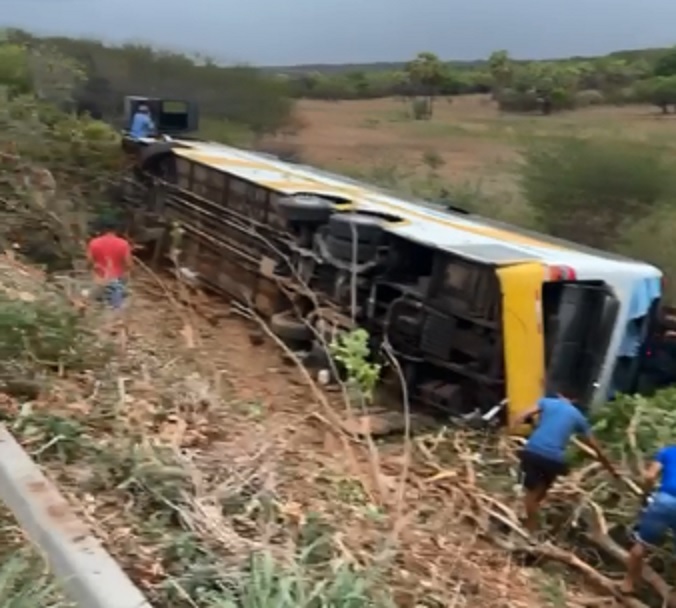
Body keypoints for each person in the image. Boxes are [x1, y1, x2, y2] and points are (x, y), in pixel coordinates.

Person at [510, 393, 620, 535]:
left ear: (559, 395)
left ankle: (530, 530)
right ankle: (531, 522)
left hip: (533, 452)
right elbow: (596, 446)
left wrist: (510, 432)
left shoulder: (546, 402)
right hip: (554, 460)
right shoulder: (578, 416)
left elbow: (521, 415)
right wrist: (611, 469)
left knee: (530, 494)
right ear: (574, 400)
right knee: (539, 493)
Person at [620, 446, 676, 596]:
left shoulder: (668, 451)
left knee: (641, 544)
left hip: (665, 501)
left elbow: (650, 476)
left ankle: (628, 584)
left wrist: (646, 494)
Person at [86, 220, 132, 310]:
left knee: (94, 303)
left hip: (99, 279)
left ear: (102, 230)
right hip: (117, 279)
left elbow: (89, 262)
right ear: (116, 230)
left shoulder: (94, 243)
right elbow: (129, 264)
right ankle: (116, 303)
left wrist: (92, 269)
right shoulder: (124, 244)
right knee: (116, 305)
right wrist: (126, 272)